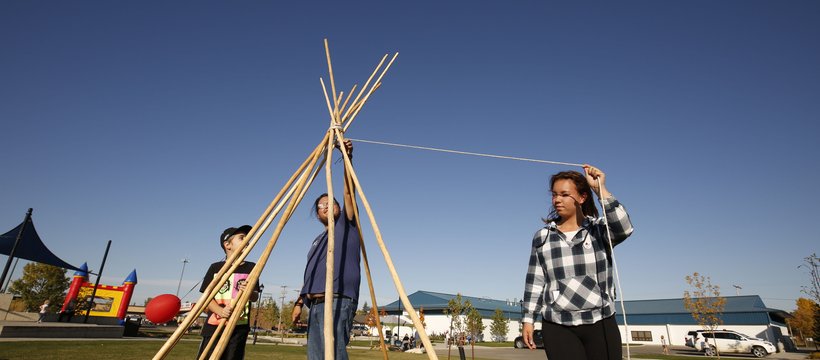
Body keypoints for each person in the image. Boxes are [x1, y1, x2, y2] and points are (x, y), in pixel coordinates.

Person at [521, 165, 633, 360]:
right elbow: (535, 281)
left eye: (564, 194)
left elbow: (624, 228)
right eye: (554, 194)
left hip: (600, 321)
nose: (557, 200)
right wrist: (528, 320)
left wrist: (600, 189)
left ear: (582, 197)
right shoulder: (543, 237)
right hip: (558, 325)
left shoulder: (599, 229)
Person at [292, 139, 360, 360]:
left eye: (331, 201)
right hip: (316, 305)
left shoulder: (346, 225)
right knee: (316, 356)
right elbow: (310, 273)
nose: (327, 206)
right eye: (322, 205)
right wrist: (299, 302)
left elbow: (349, 194)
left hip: (338, 300)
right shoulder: (318, 241)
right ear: (318, 214)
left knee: (335, 354)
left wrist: (347, 158)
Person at [197, 225, 260, 360]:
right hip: (214, 326)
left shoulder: (252, 267)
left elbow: (254, 296)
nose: (247, 240)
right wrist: (220, 311)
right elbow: (206, 298)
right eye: (242, 238)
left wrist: (249, 292)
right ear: (227, 245)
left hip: (238, 328)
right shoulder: (216, 268)